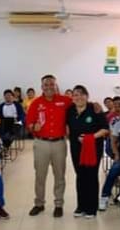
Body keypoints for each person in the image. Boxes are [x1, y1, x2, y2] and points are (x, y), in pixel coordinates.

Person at [26, 75, 73, 217]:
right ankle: (39, 203)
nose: (49, 87)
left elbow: (80, 104)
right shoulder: (36, 103)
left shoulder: (65, 101)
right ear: (42, 87)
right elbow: (29, 123)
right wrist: (34, 126)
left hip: (59, 143)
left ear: (55, 85)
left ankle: (59, 204)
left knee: (59, 175)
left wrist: (94, 105)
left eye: (51, 84)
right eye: (46, 85)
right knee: (40, 176)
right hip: (41, 144)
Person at [66, 85, 109, 218]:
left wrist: (90, 138)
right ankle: (81, 206)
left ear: (87, 95)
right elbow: (67, 127)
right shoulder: (70, 110)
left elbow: (105, 129)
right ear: (72, 98)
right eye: (75, 95)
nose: (78, 97)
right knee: (80, 176)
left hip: (93, 148)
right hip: (76, 148)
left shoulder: (95, 109)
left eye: (81, 94)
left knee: (91, 176)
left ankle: (91, 208)